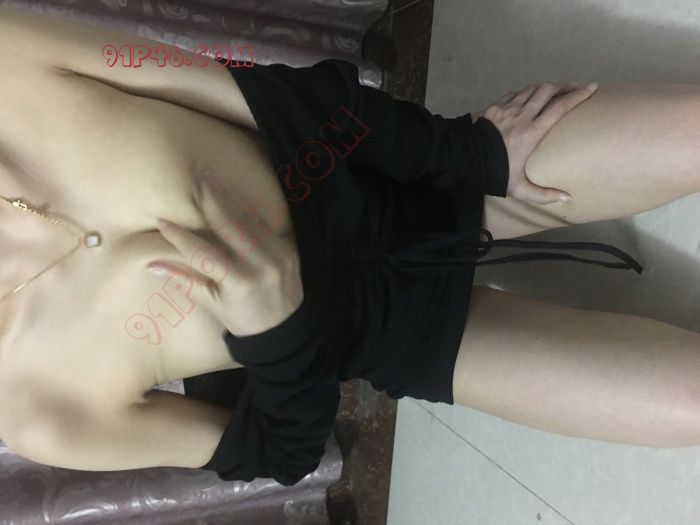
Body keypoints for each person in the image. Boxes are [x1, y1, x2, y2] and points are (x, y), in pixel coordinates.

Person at [0, 4, 691, 488]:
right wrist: (274, 330)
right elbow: (280, 453)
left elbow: (255, 89)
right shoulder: (31, 409)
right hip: (402, 335)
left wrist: (464, 153)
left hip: (412, 175)